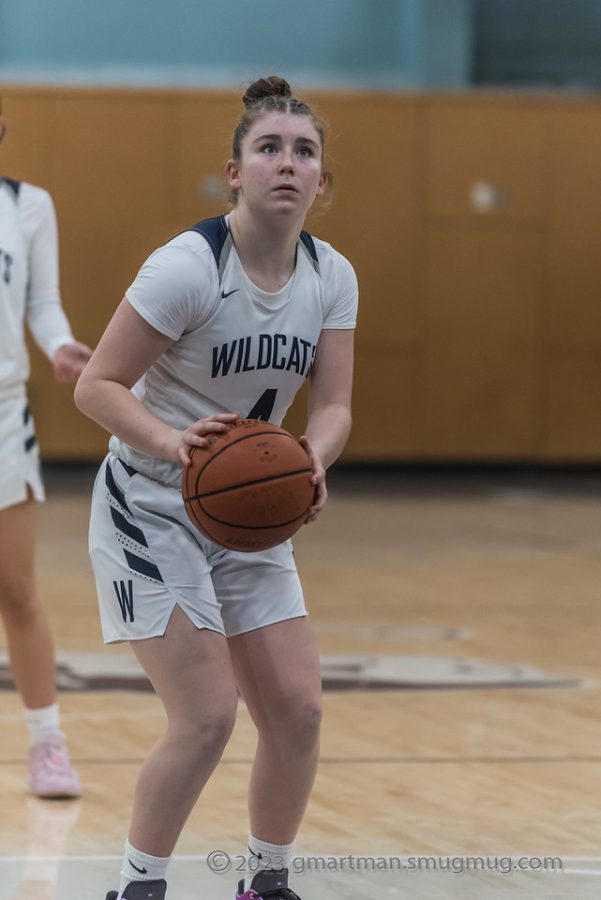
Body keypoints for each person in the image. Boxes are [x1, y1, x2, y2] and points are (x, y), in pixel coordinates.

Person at [74, 75, 357, 900]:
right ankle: (138, 887)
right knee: (205, 718)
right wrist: (173, 444)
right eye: (267, 148)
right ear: (234, 172)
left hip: (249, 516)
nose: (286, 163)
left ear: (320, 180)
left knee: (298, 713)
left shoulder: (330, 274)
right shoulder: (187, 267)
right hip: (152, 502)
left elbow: (333, 405)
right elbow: (97, 385)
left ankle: (264, 884)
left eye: (303, 152)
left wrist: (312, 461)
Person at [0, 102, 91, 798]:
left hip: (3, 413)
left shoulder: (29, 207)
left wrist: (60, 345)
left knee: (16, 588)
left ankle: (47, 742)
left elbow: (42, 302)